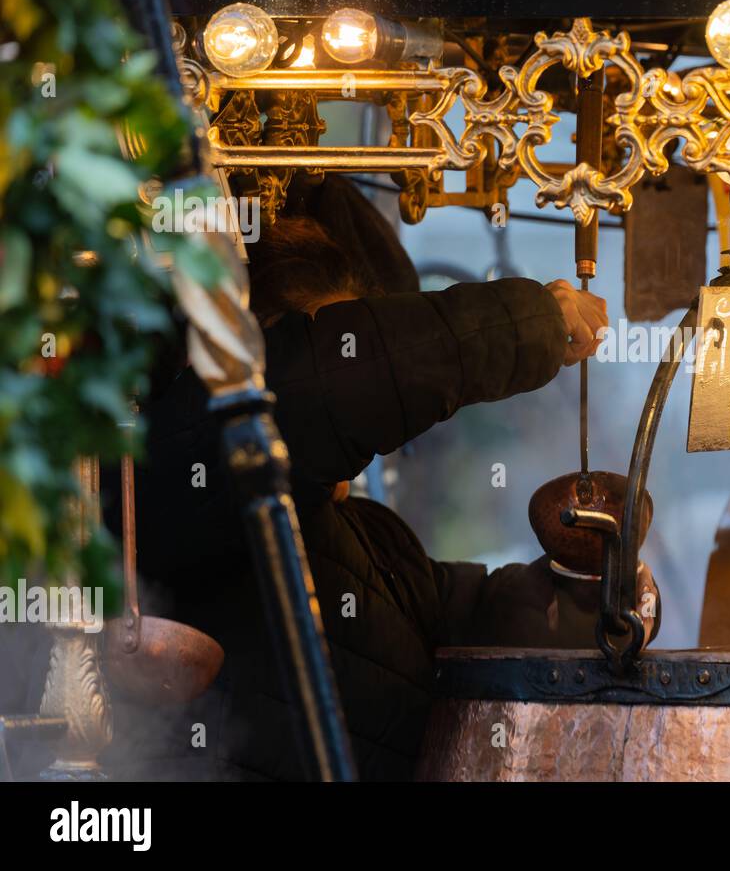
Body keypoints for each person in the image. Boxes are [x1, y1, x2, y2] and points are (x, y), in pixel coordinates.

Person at [102, 177, 655, 781]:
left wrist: (588, 590)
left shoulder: (369, 536)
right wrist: (531, 323)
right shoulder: (174, 473)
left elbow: (473, 616)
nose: (362, 423)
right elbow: (324, 388)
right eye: (328, 340)